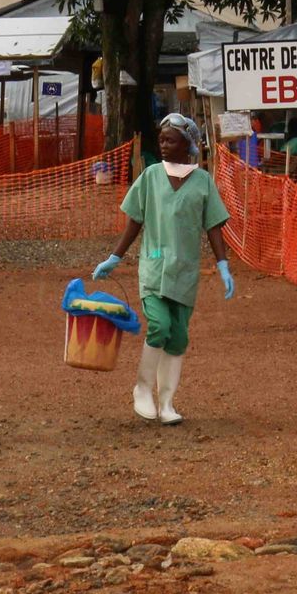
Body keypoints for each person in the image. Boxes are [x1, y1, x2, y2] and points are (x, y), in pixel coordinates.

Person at [92, 113, 233, 425]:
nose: (164, 146)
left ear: (188, 144)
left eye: (171, 140)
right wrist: (115, 257)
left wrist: (223, 265)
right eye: (162, 140)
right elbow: (135, 221)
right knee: (159, 326)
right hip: (154, 267)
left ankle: (167, 402)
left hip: (185, 272)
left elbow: (213, 227)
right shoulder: (151, 176)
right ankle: (143, 388)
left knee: (179, 336)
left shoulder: (203, 182)